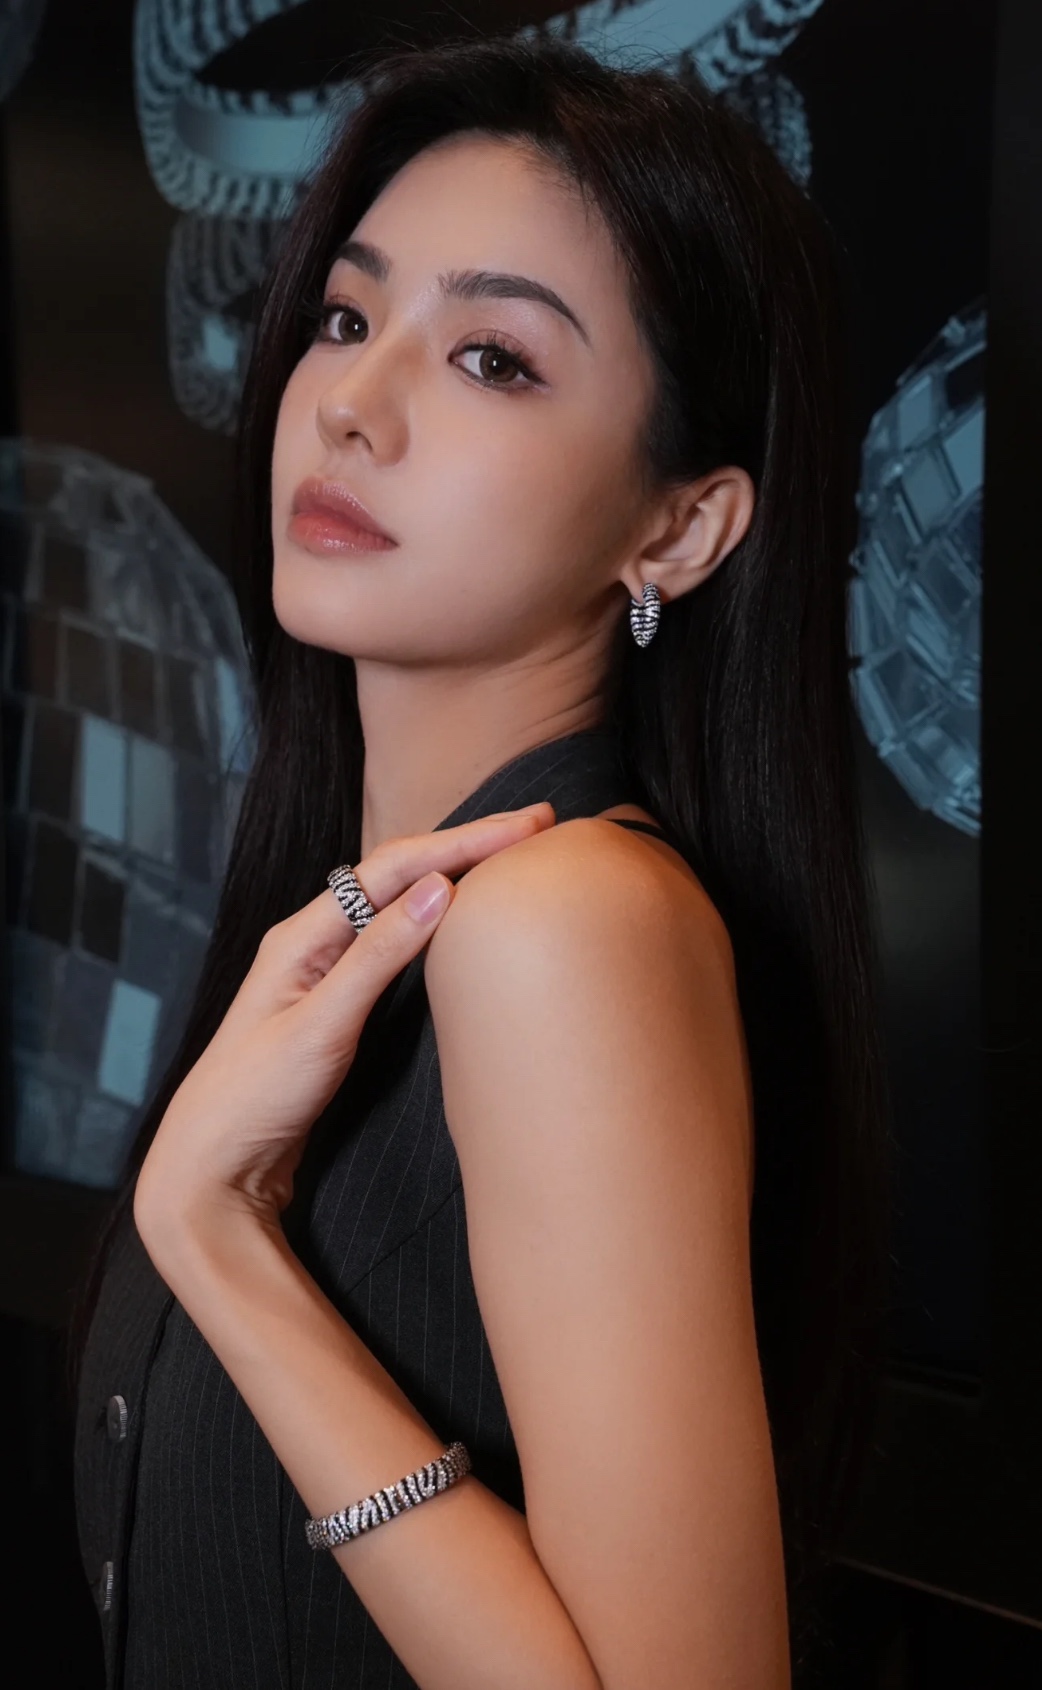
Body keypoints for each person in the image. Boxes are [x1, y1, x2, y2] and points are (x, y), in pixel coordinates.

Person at [71, 30, 889, 1690]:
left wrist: (219, 1240)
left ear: (680, 528)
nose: (351, 405)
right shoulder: (356, 928)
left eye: (494, 359)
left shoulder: (567, 923)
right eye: (347, 318)